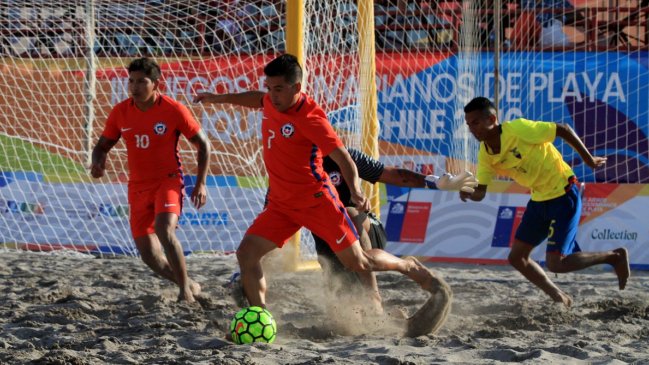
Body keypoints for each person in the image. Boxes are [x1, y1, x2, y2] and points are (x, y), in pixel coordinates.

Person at [194, 54, 451, 336]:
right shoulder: (270, 100)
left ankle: (409, 266)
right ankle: (261, 317)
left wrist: (354, 189)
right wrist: (218, 98)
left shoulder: (311, 118)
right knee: (247, 254)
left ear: (296, 87)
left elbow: (344, 159)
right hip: (281, 204)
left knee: (359, 262)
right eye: (269, 87)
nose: (272, 95)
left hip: (316, 201)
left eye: (278, 88)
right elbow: (256, 98)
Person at [461, 96, 630, 307]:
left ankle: (613, 257)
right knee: (517, 258)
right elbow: (480, 193)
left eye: (476, 122)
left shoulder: (518, 129)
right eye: (468, 125)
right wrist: (466, 190)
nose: (472, 129)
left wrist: (588, 160)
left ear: (492, 118)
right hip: (539, 199)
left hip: (564, 193)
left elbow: (563, 129)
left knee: (556, 264)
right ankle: (560, 297)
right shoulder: (485, 154)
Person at [90, 57, 211, 303]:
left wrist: (200, 183)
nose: (134, 87)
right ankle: (187, 283)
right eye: (131, 81)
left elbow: (204, 146)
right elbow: (102, 146)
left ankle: (184, 293)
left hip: (168, 181)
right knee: (148, 255)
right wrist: (98, 162)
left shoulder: (173, 109)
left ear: (156, 83)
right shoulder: (121, 111)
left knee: (164, 230)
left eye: (141, 82)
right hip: (137, 186)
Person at [315, 148, 478, 315]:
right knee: (346, 316)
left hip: (365, 231)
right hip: (331, 242)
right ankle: (392, 318)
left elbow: (392, 174)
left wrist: (434, 182)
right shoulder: (292, 168)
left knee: (349, 214)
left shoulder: (341, 154)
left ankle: (376, 297)